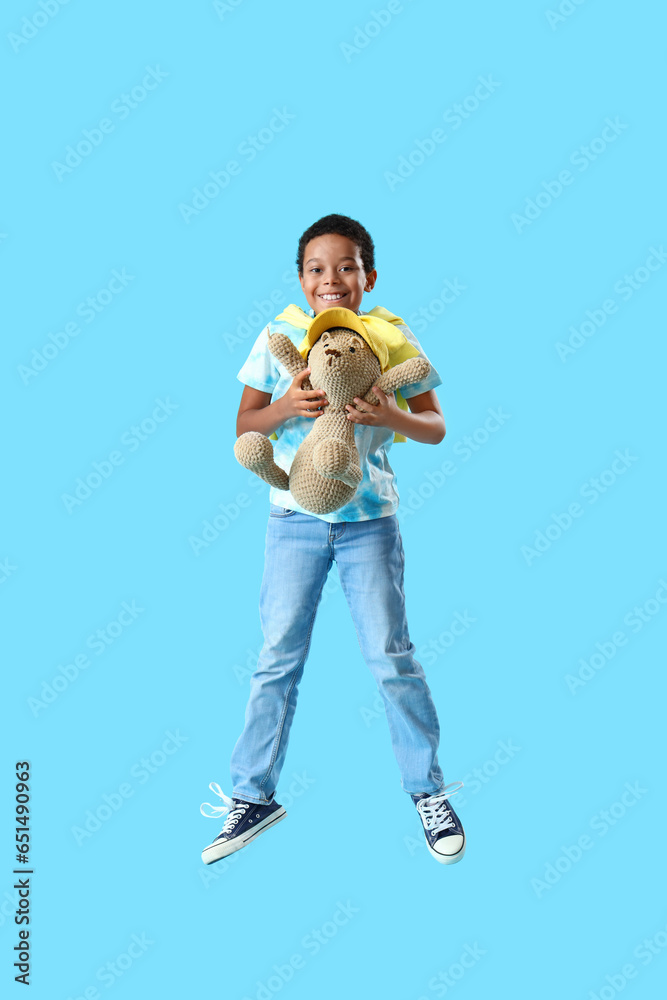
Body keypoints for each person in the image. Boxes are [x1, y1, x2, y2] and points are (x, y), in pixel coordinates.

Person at [200, 214, 465, 866]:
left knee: (389, 655)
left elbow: (433, 426)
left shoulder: (391, 338)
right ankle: (252, 796)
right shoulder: (279, 335)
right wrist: (287, 407)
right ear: (300, 278)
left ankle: (426, 790)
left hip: (369, 524)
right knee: (275, 658)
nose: (332, 279)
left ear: (368, 277)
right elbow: (243, 421)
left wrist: (391, 413)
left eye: (346, 266)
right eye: (317, 268)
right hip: (292, 520)